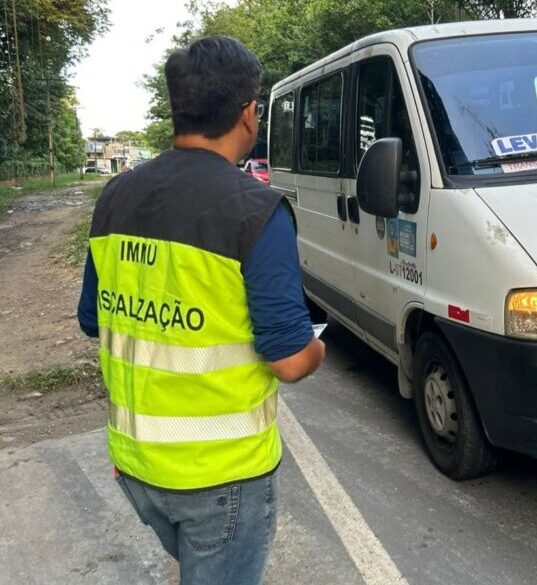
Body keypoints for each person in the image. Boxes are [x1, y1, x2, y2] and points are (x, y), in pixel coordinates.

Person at [77, 36, 325, 585]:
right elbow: (289, 360)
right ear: (247, 113)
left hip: (136, 466)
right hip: (222, 478)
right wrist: (317, 348)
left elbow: (94, 319)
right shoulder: (257, 210)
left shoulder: (114, 198)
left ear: (179, 107)